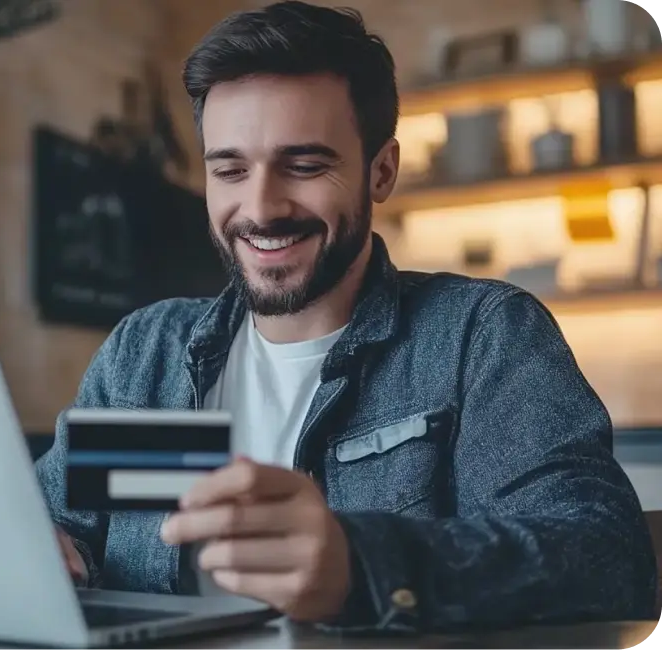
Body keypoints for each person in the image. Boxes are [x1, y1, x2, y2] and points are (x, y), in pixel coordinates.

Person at [37, 0, 658, 633]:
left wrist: (362, 569)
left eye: (304, 166)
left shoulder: (482, 336)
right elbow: (57, 522)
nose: (260, 207)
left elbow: (605, 560)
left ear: (381, 170)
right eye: (229, 169)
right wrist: (48, 552)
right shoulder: (142, 352)